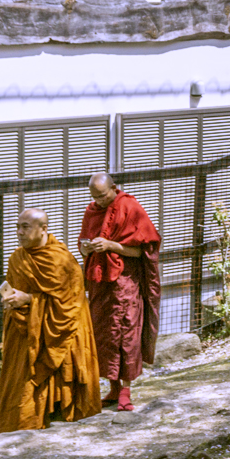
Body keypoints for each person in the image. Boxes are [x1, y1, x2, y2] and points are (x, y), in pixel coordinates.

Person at [0, 209, 102, 433]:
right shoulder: (17, 259)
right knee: (19, 393)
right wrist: (14, 300)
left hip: (62, 333)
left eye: (25, 227)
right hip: (26, 332)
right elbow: (18, 290)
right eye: (18, 227)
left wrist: (30, 299)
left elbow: (71, 302)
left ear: (43, 229)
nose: (19, 232)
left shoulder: (62, 259)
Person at [78, 173, 161, 412]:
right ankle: (113, 388)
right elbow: (84, 245)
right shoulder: (92, 210)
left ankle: (126, 391)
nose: (99, 201)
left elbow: (144, 252)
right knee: (104, 335)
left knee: (126, 334)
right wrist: (86, 248)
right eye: (94, 197)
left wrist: (111, 245)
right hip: (99, 283)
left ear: (114, 188)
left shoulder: (130, 207)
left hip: (125, 283)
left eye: (103, 196)